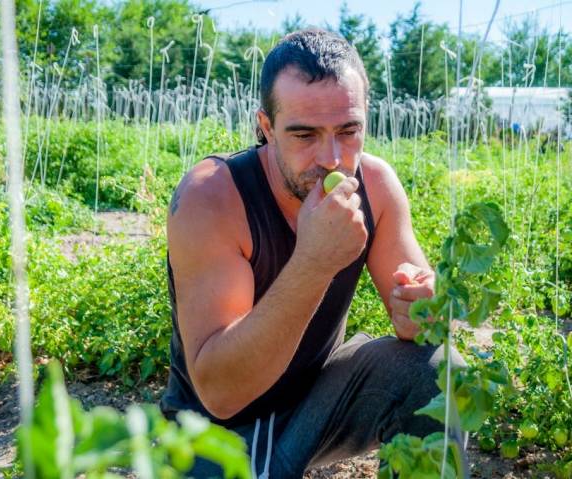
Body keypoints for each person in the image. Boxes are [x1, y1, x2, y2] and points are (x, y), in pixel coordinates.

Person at [160, 29, 466, 478]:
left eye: (349, 131)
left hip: (312, 410)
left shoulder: (375, 186)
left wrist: (425, 309)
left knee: (437, 371)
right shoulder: (212, 197)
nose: (333, 158)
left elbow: (427, 316)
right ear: (266, 128)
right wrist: (313, 262)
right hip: (215, 435)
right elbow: (221, 393)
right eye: (304, 135)